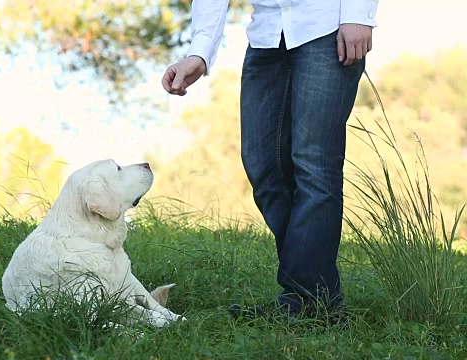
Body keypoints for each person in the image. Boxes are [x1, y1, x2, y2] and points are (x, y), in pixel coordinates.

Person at [161, 1, 379, 323]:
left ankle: (308, 301)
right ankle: (316, 300)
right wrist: (200, 51)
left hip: (328, 26)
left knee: (314, 166)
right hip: (266, 35)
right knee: (263, 165)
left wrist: (358, 15)